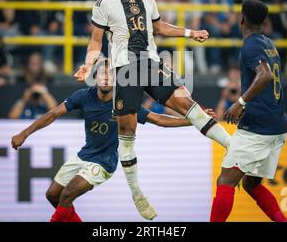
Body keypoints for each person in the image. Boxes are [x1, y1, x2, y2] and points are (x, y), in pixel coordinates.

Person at [74, 0, 231, 220]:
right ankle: (137, 193)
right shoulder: (104, 3)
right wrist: (89, 65)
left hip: (151, 62)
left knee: (186, 103)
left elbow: (159, 27)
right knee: (127, 129)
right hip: (124, 69)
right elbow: (95, 40)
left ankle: (233, 146)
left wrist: (191, 33)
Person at [11, 59, 215, 222]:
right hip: (84, 155)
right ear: (95, 77)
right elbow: (53, 114)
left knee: (66, 196)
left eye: (110, 74)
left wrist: (194, 120)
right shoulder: (84, 96)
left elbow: (158, 119)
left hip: (104, 162)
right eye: (102, 73)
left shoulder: (124, 102)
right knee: (52, 196)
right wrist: (25, 133)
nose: (106, 77)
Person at [210, 0, 287, 222]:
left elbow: (265, 75)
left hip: (258, 129)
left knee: (225, 181)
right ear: (264, 22)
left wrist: (240, 102)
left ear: (241, 19)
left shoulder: (251, 45)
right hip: (277, 125)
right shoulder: (268, 43)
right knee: (251, 184)